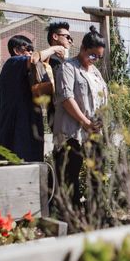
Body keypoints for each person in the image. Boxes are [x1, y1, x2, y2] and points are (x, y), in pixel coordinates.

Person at [53, 25, 108, 208]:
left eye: (99, 57)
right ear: (83, 48)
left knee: (97, 173)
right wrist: (85, 122)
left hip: (93, 131)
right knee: (71, 175)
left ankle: (95, 213)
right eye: (93, 55)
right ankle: (71, 216)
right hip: (72, 131)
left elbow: (102, 99)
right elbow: (66, 98)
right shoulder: (68, 67)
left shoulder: (95, 72)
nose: (95, 60)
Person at [0, 35, 65, 161]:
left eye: (32, 49)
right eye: (28, 48)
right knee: (17, 161)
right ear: (16, 50)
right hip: (17, 126)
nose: (31, 52)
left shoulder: (23, 71)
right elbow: (33, 60)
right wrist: (54, 49)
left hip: (29, 123)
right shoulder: (13, 62)